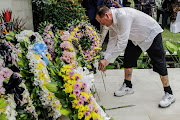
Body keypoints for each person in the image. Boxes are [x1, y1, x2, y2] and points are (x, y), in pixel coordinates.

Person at [95, 5, 175, 108]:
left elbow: (122, 43)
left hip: (151, 34)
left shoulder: (123, 16)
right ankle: (128, 86)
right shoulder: (111, 23)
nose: (101, 24)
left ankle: (169, 93)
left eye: (101, 21)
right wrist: (106, 58)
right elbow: (112, 40)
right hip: (135, 37)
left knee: (159, 63)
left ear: (107, 15)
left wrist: (108, 61)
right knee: (128, 59)